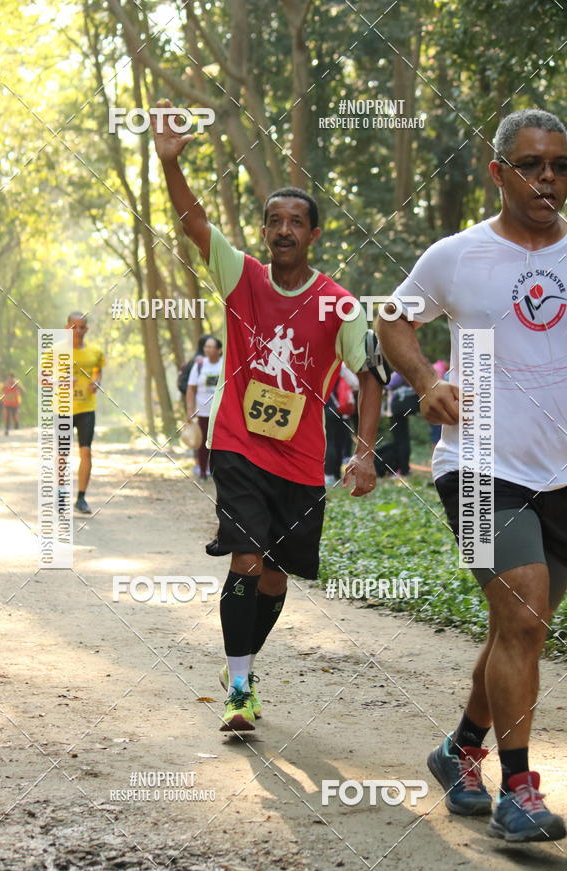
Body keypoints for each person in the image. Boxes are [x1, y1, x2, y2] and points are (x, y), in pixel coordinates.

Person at [152, 98, 385, 733]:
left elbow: (370, 375)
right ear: (263, 231)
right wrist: (169, 162)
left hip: (303, 461)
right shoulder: (242, 278)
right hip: (238, 446)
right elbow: (194, 224)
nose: (283, 230)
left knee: (277, 579)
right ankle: (237, 687)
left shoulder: (338, 303)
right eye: (273, 221)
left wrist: (363, 451)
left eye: (296, 222)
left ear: (314, 235)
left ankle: (247, 670)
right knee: (246, 561)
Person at [377, 109, 567, 842]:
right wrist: (426, 379)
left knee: (520, 626)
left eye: (559, 164)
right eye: (530, 164)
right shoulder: (458, 255)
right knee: (522, 615)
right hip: (481, 462)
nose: (547, 177)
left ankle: (459, 748)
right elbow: (392, 318)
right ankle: (518, 789)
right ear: (499, 172)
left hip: (561, 476)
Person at [68, 312, 105, 515]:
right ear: (67, 327)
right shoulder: (56, 352)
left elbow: (99, 371)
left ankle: (81, 497)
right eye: (74, 327)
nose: (78, 331)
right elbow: (42, 378)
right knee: (62, 455)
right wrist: (61, 382)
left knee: (86, 452)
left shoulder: (95, 352)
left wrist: (96, 382)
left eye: (82, 327)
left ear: (87, 329)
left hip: (86, 408)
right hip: (62, 408)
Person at [186, 335, 223, 480]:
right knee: (202, 443)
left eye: (210, 347)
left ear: (219, 350)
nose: (207, 349)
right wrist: (190, 409)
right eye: (205, 346)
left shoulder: (224, 365)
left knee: (219, 444)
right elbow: (191, 388)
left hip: (220, 412)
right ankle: (202, 472)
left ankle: (217, 472)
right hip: (203, 411)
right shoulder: (200, 365)